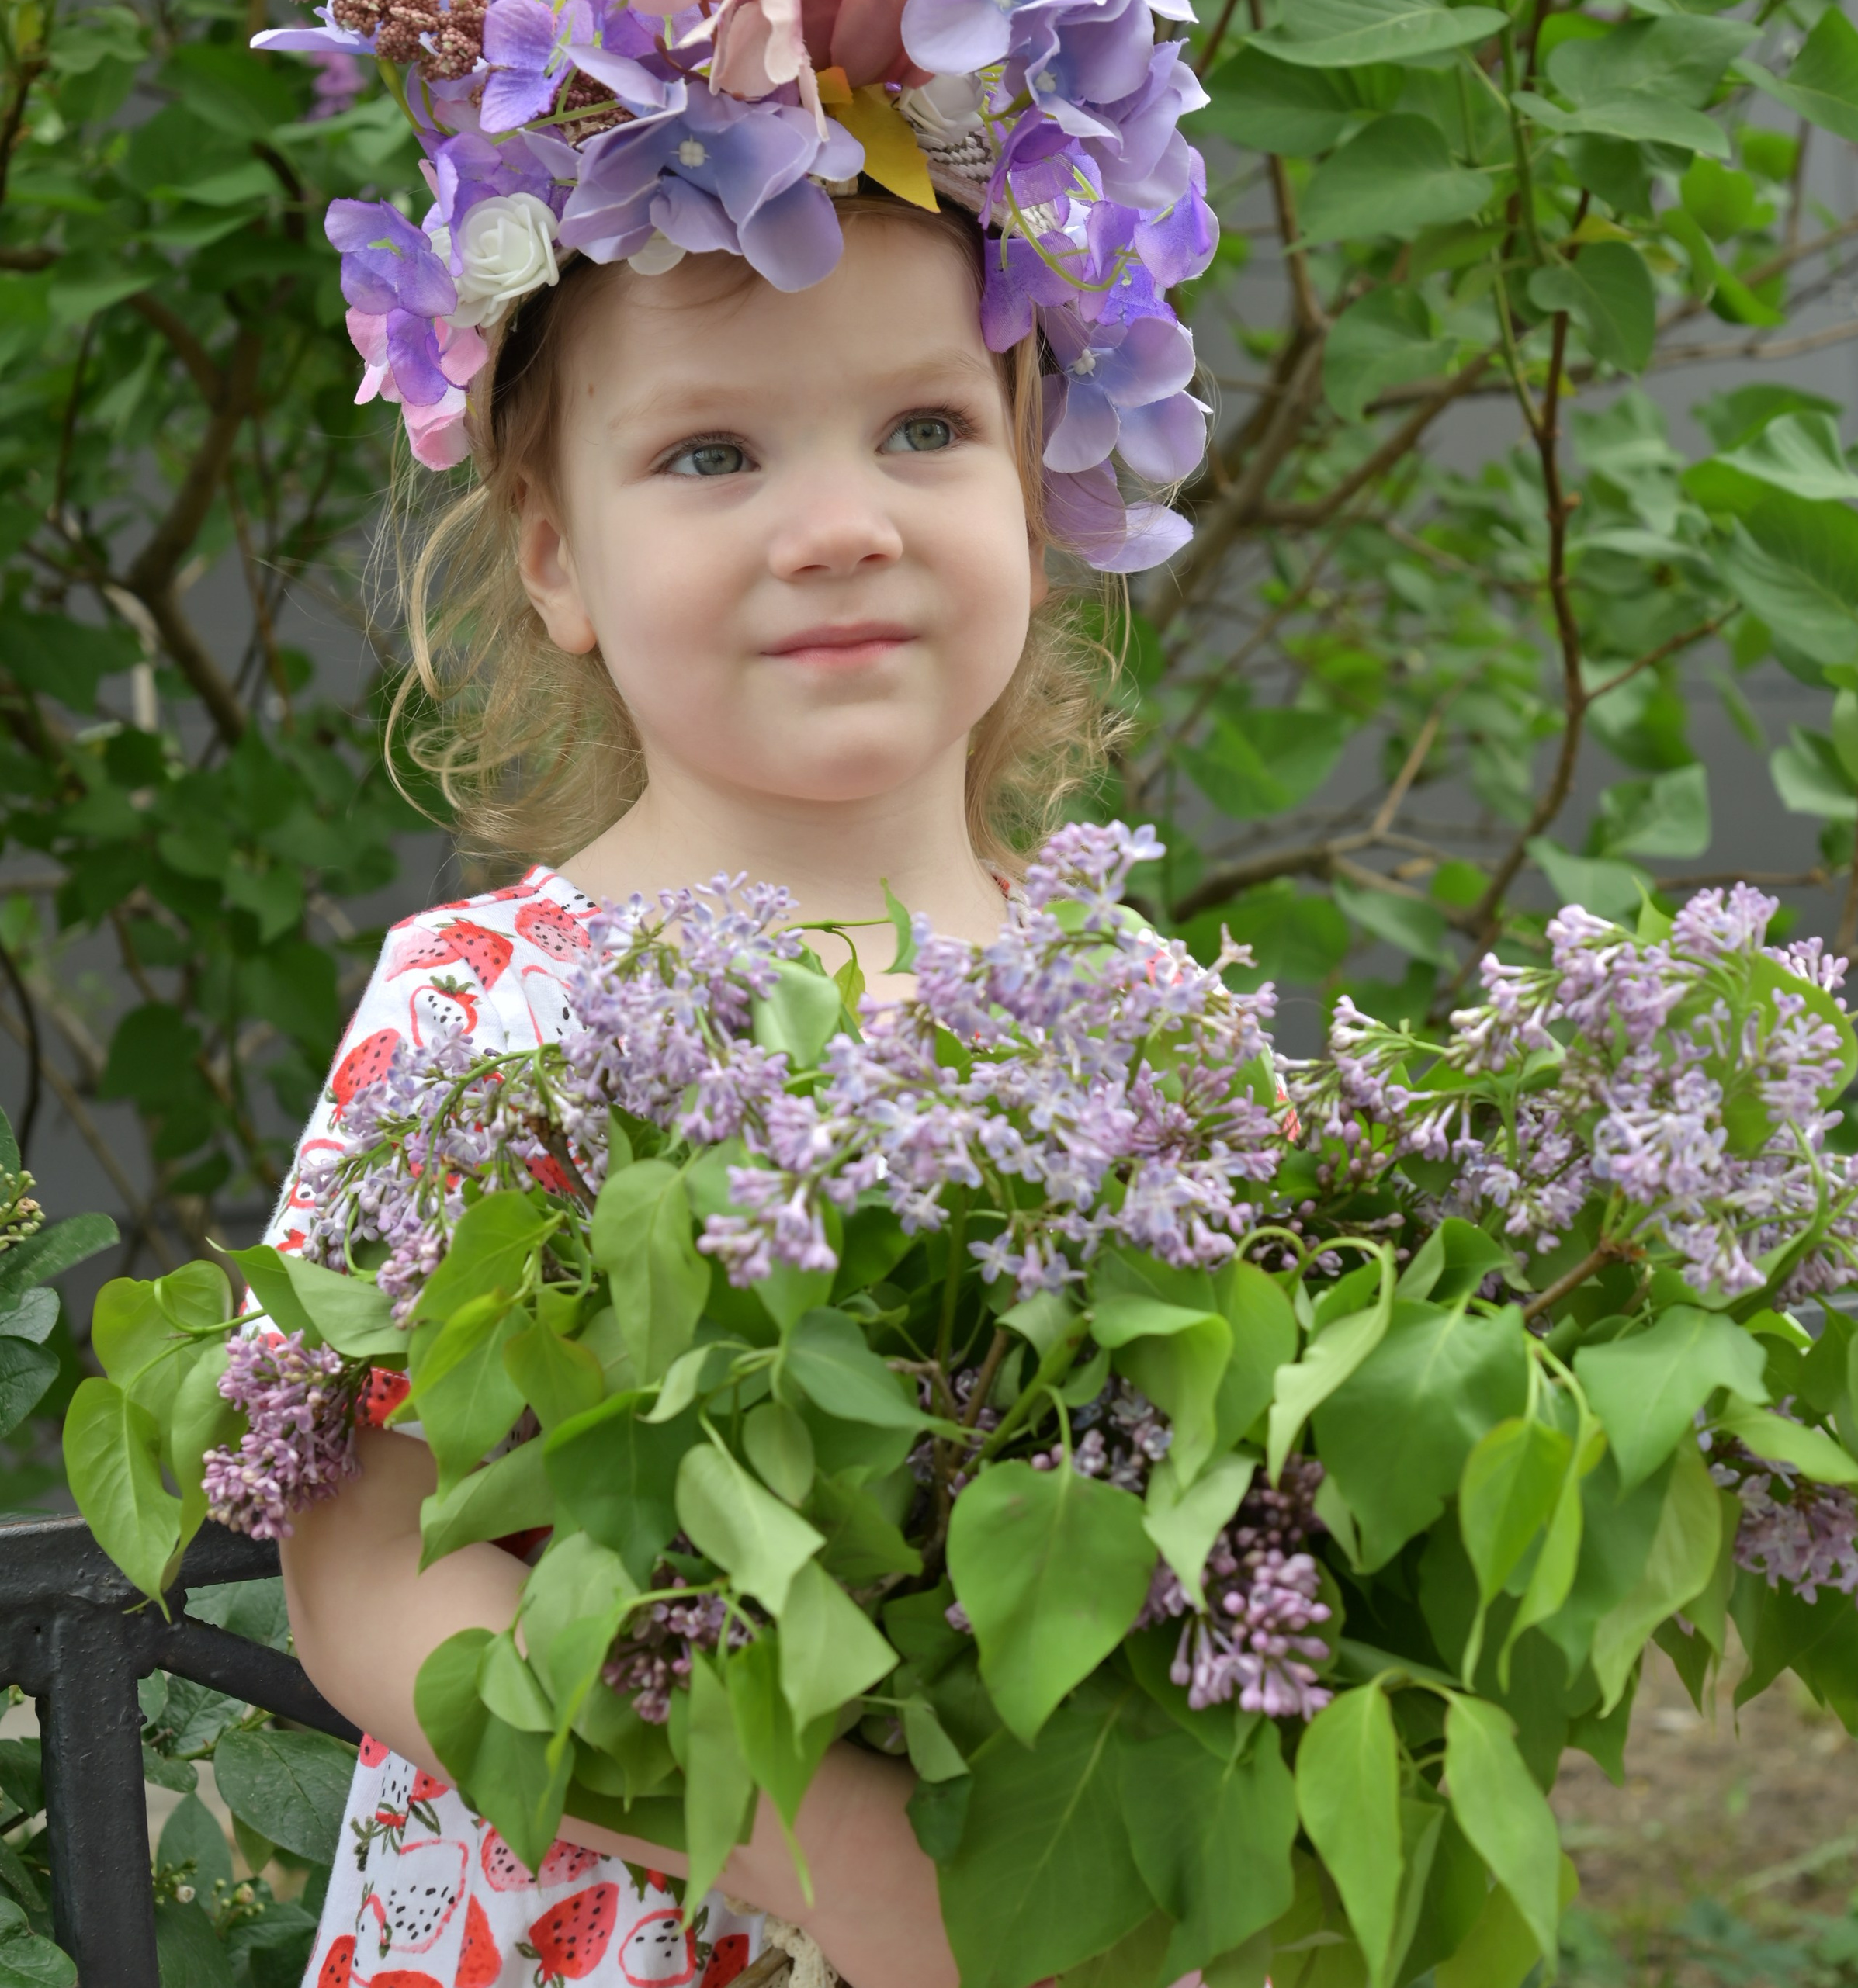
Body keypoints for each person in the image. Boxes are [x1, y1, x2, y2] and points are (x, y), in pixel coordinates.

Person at [250, 3, 1217, 1979]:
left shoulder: (1127, 995)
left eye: (926, 429)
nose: (843, 521)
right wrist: (819, 1851)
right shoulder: (485, 1013)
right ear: (553, 556)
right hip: (598, 1919)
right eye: (711, 450)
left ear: (1036, 476)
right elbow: (360, 1579)